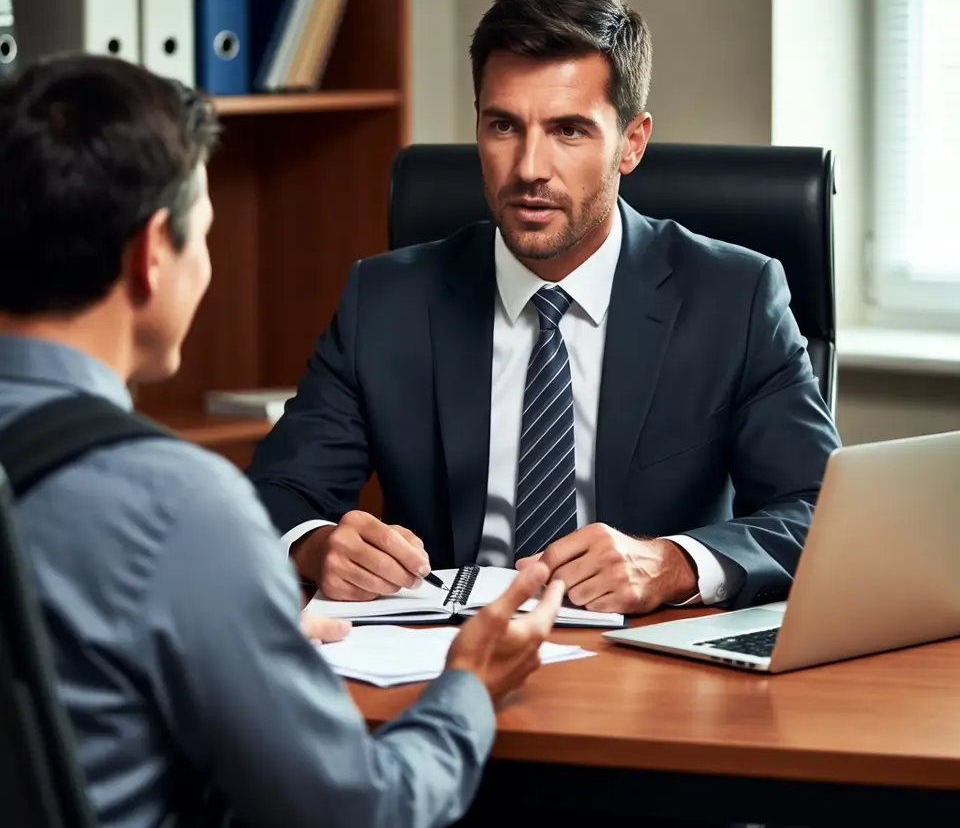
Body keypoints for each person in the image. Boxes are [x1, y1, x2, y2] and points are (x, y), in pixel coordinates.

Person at [0, 53, 566, 828]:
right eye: (202, 234)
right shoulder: (175, 508)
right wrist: (469, 685)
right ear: (149, 257)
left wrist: (235, 624)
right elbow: (364, 811)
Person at [247, 0, 842, 617]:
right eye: (504, 125)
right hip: (438, 656)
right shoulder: (387, 300)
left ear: (632, 143)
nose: (530, 166)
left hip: (649, 663)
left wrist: (672, 564)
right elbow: (276, 493)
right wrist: (315, 546)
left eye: (568, 131)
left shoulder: (734, 297)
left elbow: (818, 515)